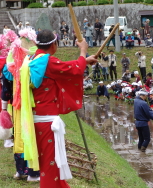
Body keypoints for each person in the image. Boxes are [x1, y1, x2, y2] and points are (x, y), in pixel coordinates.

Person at [21, 29, 97, 187]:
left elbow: (66, 66)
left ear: (37, 44)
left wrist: (84, 60)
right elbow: (75, 69)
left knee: (52, 163)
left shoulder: (33, 58)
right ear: (54, 45)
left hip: (38, 119)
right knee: (50, 165)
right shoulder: (48, 61)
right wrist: (83, 51)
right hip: (48, 122)